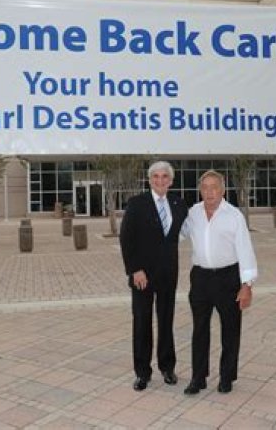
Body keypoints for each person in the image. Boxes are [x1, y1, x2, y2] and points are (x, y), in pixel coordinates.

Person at [180, 170, 258, 395]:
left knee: (230, 330)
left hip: (228, 278)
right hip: (200, 279)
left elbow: (245, 250)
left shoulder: (234, 216)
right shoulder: (193, 213)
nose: (210, 192)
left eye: (214, 187)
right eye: (205, 187)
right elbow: (177, 234)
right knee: (199, 330)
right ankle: (198, 378)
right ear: (200, 190)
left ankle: (226, 377)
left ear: (222, 190)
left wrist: (247, 285)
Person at [119, 161, 188, 391]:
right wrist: (135, 269)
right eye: (155, 176)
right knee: (142, 322)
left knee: (166, 321)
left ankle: (167, 368)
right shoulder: (137, 204)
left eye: (164, 176)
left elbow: (187, 230)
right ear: (149, 180)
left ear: (171, 180)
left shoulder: (179, 204)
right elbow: (126, 238)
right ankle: (142, 373)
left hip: (168, 273)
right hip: (143, 275)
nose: (160, 180)